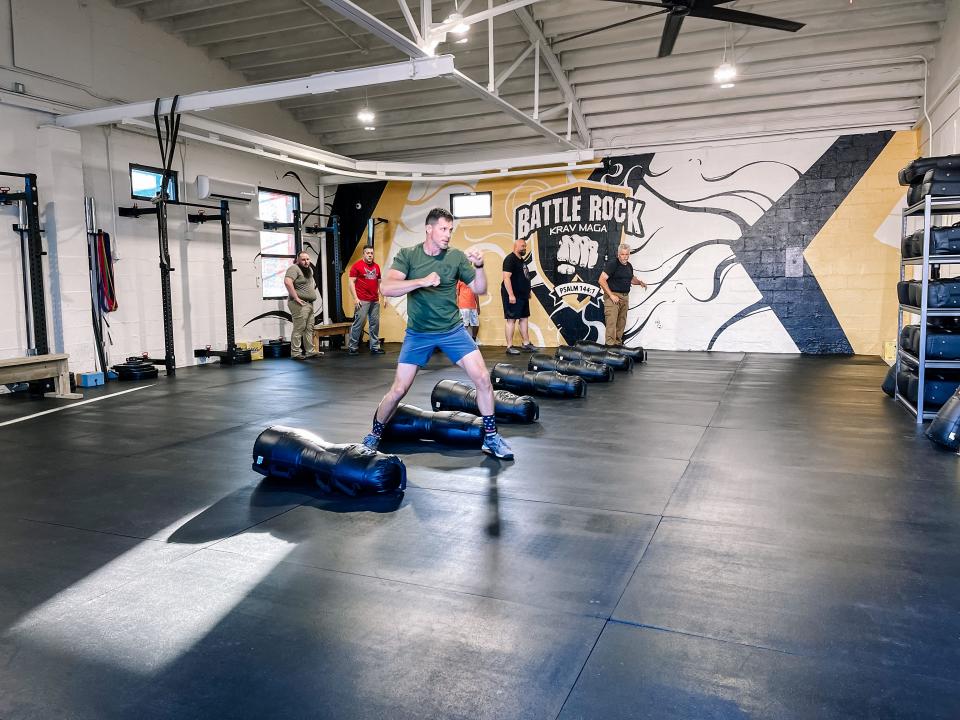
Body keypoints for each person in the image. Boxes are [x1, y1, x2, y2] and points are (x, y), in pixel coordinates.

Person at [361, 207, 514, 460]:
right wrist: (420, 281)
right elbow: (386, 287)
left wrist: (479, 265)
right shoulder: (408, 255)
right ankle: (375, 434)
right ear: (429, 229)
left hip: (452, 330)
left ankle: (491, 437)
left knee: (483, 380)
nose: (447, 234)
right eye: (443, 229)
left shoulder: (454, 257)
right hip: (418, 334)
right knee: (399, 389)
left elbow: (481, 288)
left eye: (450, 230)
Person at [598, 242, 647, 346]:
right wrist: (611, 295)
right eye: (622, 254)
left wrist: (640, 282)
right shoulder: (613, 264)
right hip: (613, 297)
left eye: (627, 254)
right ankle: (610, 346)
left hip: (625, 297)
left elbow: (630, 279)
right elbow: (601, 280)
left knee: (621, 323)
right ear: (618, 254)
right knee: (611, 322)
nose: (625, 257)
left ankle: (618, 345)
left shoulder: (629, 266)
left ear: (629, 254)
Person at [501, 238, 539, 354]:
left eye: (525, 246)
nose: (524, 248)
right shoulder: (510, 259)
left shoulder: (521, 260)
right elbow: (506, 278)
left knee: (523, 318)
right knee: (511, 319)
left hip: (522, 295)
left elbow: (524, 277)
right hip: (513, 295)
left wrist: (527, 291)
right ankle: (509, 346)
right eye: (522, 246)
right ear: (516, 246)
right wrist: (511, 295)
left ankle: (526, 343)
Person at [347, 245, 385, 355]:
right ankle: (353, 347)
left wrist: (384, 297)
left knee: (375, 324)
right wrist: (355, 298)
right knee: (358, 323)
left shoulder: (376, 267)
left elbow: (380, 283)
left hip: (374, 300)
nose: (370, 255)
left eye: (371, 253)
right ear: (363, 254)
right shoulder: (357, 266)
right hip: (362, 300)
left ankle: (374, 347)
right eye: (367, 253)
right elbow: (351, 283)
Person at [284, 251, 321, 359]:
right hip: (298, 304)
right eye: (303, 259)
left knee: (309, 328)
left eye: (308, 259)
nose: (306, 262)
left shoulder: (308, 270)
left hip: (308, 304)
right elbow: (287, 282)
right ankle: (295, 353)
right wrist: (296, 297)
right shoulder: (294, 268)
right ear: (298, 260)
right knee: (299, 328)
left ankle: (310, 351)